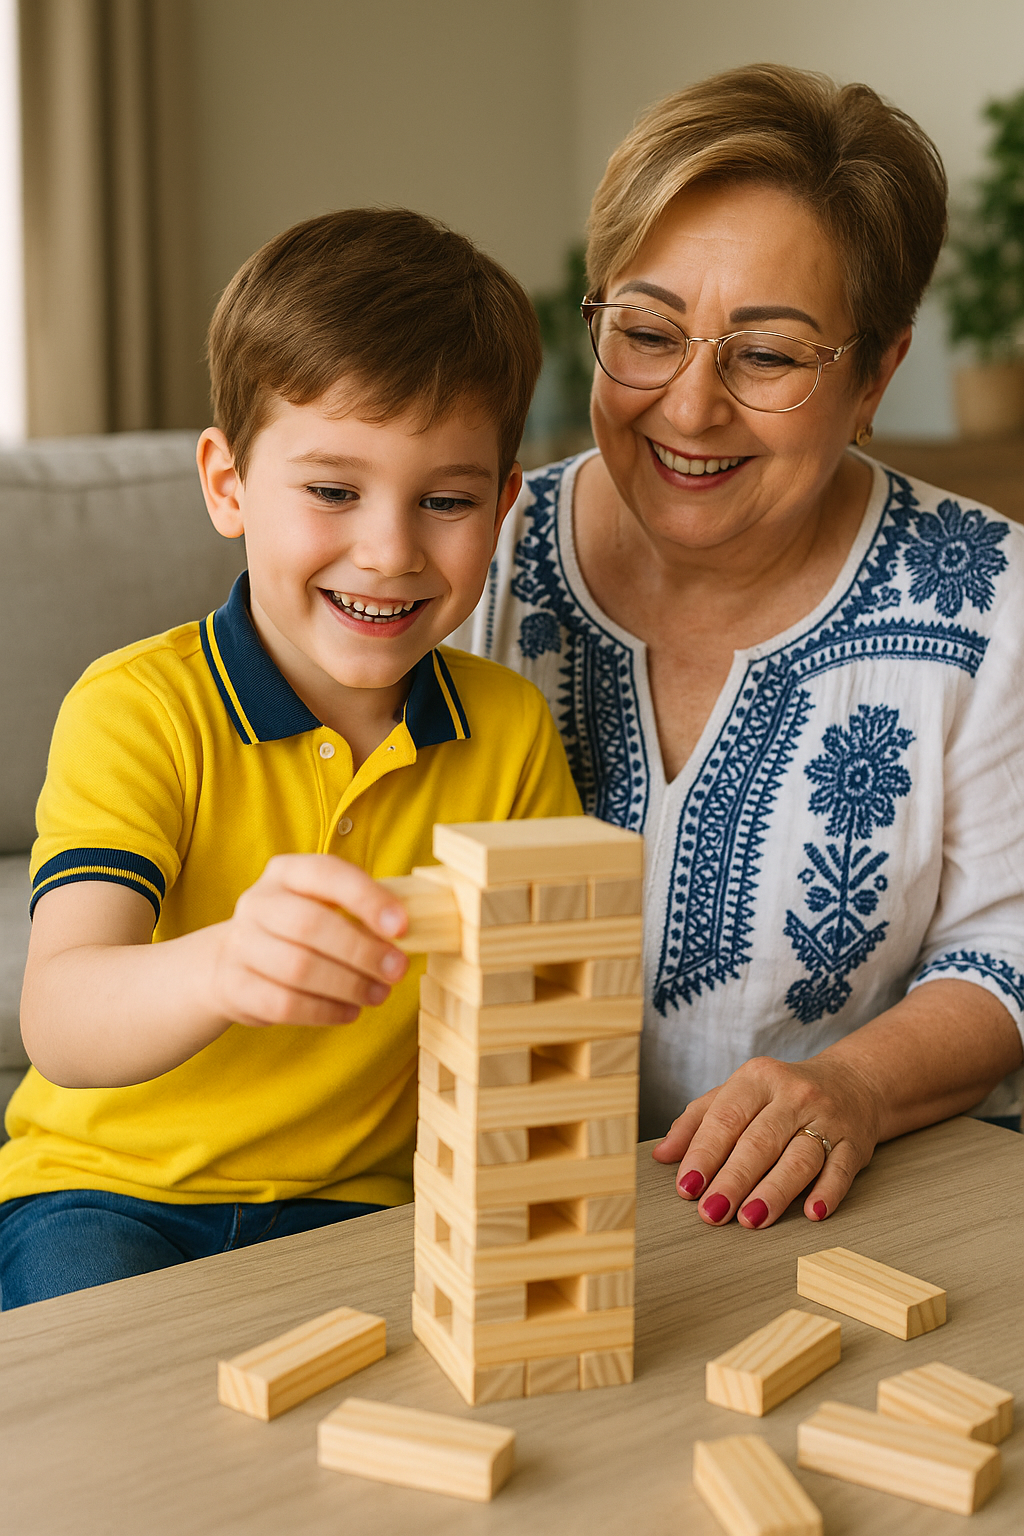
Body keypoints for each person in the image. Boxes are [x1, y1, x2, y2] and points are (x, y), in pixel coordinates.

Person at [457, 64, 1024, 1231]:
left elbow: (1007, 949)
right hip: (501, 1197)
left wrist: (855, 1084)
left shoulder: (994, 599)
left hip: (843, 1205)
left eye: (765, 356)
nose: (689, 406)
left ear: (874, 375)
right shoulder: (471, 553)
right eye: (649, 333)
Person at [0, 208, 581, 1308]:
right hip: (109, 1192)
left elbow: (529, 1016)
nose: (390, 550)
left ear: (504, 507)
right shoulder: (139, 710)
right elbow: (61, 1017)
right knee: (90, 1431)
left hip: (360, 1202)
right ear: (227, 484)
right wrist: (223, 966)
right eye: (332, 490)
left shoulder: (506, 732)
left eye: (445, 500)